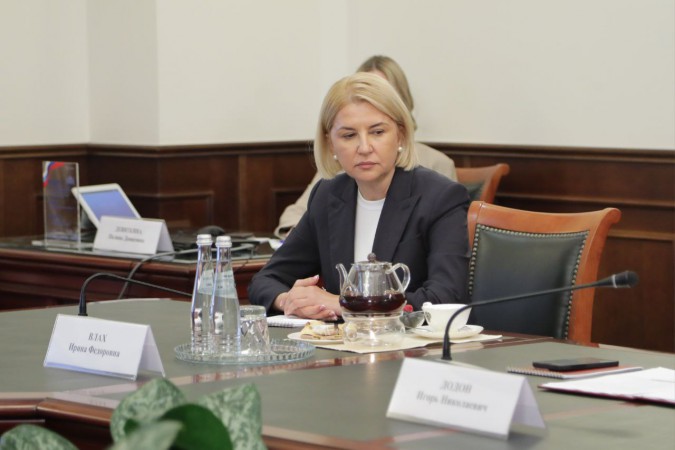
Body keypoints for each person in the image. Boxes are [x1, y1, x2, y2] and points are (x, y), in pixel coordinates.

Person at [248, 73, 469, 320]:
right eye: (349, 135)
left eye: (377, 132)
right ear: (330, 143)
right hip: (344, 342)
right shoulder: (328, 195)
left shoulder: (440, 197)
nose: (364, 148)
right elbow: (266, 280)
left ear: (401, 135)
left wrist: (343, 304)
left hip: (412, 343)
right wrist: (289, 300)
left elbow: (446, 298)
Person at [275, 55, 457, 238]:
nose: (364, 148)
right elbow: (296, 215)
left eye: (381, 93)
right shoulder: (331, 180)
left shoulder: (437, 169)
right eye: (349, 135)